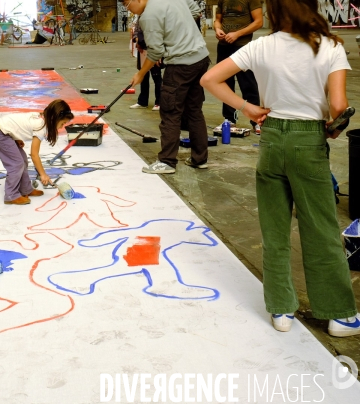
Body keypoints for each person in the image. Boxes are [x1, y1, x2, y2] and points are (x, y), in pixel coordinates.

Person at [201, 0, 360, 337]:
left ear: (274, 10)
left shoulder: (261, 46)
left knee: (274, 231)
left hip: (271, 138)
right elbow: (337, 106)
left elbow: (210, 79)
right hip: (309, 142)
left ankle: (281, 309)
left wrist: (247, 107)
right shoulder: (330, 46)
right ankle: (338, 316)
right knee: (320, 229)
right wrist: (335, 123)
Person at [125, 0, 210, 175]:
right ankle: (199, 159)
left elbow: (155, 51)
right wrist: (179, 27)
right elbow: (195, 11)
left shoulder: (147, 16)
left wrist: (141, 74)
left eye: (127, 4)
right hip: (200, 59)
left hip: (180, 65)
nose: (129, 9)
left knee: (171, 112)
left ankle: (167, 162)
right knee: (194, 110)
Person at [0, 99, 74, 205]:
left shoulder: (41, 118)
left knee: (23, 161)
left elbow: (17, 125)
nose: (62, 127)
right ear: (54, 118)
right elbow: (34, 154)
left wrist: (16, 137)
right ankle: (11, 195)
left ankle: (25, 189)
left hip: (3, 131)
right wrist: (43, 174)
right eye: (62, 123)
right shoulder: (40, 126)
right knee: (16, 164)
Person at [214, 0, 263, 133]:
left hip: (243, 47)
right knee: (225, 84)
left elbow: (259, 22)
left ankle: (257, 120)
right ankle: (229, 119)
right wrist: (217, 29)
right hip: (224, 46)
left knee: (248, 84)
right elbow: (218, 20)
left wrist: (237, 34)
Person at [129, 18, 162, 111]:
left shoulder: (153, 16)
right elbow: (136, 30)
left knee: (157, 77)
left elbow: (158, 34)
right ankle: (142, 102)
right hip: (143, 50)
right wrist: (137, 41)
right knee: (143, 76)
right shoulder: (141, 16)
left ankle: (159, 102)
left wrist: (157, 51)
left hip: (153, 50)